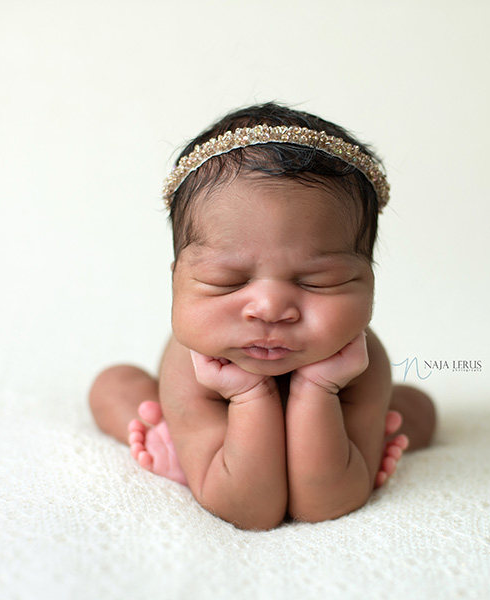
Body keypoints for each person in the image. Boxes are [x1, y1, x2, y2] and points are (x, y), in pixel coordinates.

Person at [89, 103, 436, 530]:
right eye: (228, 281)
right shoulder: (193, 363)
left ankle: (367, 435)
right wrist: (247, 395)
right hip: (203, 416)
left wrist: (319, 389)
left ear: (369, 279)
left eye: (317, 281)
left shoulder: (359, 364)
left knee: (419, 410)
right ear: (177, 279)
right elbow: (248, 509)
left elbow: (322, 504)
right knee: (114, 385)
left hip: (336, 419)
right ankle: (174, 440)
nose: (270, 309)